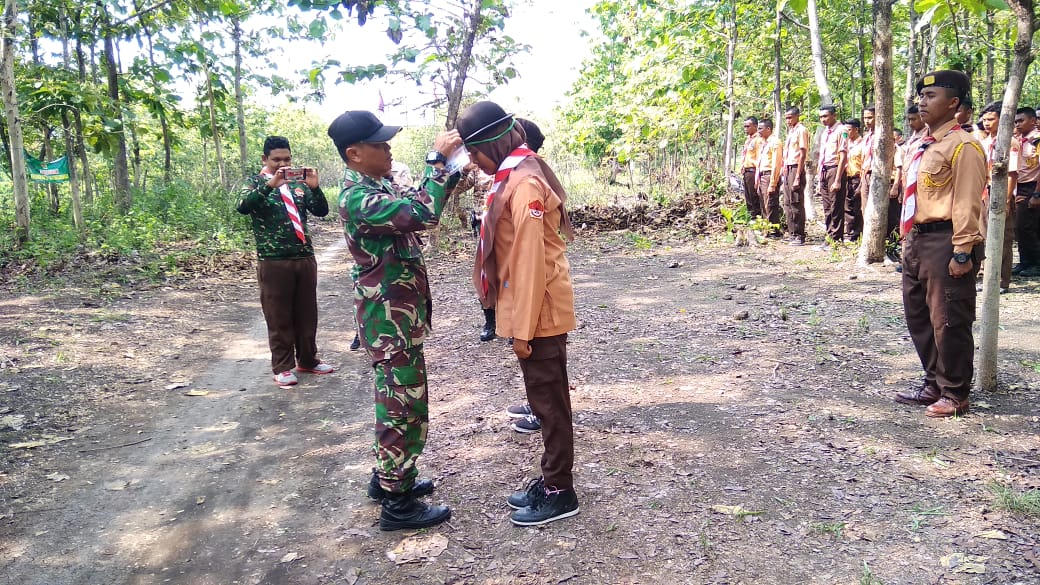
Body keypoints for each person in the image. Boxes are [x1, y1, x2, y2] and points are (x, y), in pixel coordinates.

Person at [328, 110, 462, 531]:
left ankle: (387, 479)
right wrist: (436, 161)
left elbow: (418, 201)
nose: (388, 150)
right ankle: (397, 503)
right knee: (400, 406)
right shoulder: (357, 197)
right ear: (354, 154)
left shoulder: (377, 185)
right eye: (379, 145)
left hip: (398, 316)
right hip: (388, 321)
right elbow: (420, 214)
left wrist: (450, 171)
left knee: (401, 400)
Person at [457, 101, 579, 526]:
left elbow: (529, 263)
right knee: (543, 398)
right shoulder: (513, 174)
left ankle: (560, 490)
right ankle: (551, 478)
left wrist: (522, 330)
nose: (472, 162)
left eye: (475, 152)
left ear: (493, 142)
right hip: (531, 308)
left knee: (549, 402)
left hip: (539, 311)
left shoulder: (524, 183)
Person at [894, 70, 986, 418]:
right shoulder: (922, 143)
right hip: (918, 239)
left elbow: (967, 202)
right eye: (922, 95)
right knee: (919, 316)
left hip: (947, 240)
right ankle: (933, 380)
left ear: (954, 104)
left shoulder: (963, 145)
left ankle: (955, 391)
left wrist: (963, 251)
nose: (923, 101)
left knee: (949, 318)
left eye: (932, 96)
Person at [237, 136, 335, 387]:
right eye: (276, 159)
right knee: (278, 314)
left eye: (287, 159)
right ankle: (282, 366)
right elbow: (243, 207)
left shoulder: (297, 184)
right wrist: (271, 184)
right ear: (265, 159)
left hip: (304, 257)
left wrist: (314, 187)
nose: (282, 164)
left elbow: (321, 211)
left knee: (307, 312)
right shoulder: (256, 183)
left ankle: (308, 359)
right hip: (273, 260)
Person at [977, 101, 1016, 293]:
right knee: (983, 235)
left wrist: (1007, 200)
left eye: (991, 119)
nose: (986, 123)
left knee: (1003, 237)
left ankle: (1002, 280)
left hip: (1001, 192)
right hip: (984, 193)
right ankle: (986, 275)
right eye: (984, 120)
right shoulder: (984, 142)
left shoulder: (1010, 143)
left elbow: (1012, 174)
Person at [815, 105, 848, 247]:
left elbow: (843, 155)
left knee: (836, 205)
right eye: (821, 117)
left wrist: (838, 179)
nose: (823, 119)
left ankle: (836, 237)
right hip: (824, 171)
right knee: (827, 205)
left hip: (835, 169)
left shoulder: (842, 131)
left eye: (826, 116)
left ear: (834, 116)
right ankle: (829, 235)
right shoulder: (825, 132)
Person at [1013, 107, 1040, 277]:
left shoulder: (1037, 140)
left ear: (1033, 121)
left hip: (1032, 187)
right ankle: (1025, 261)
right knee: (1021, 228)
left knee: (1028, 227)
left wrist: (1037, 194)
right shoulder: (1019, 140)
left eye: (1021, 121)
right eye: (1016, 121)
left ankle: (1035, 263)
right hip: (1020, 187)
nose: (1018, 124)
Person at [782, 107, 811, 245]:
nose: (788, 120)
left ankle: (799, 234)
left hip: (796, 168)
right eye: (786, 118)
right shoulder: (791, 132)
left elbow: (802, 154)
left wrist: (798, 175)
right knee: (787, 203)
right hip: (788, 168)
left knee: (796, 202)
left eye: (790, 117)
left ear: (797, 116)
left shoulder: (801, 131)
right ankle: (792, 232)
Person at [756, 118, 784, 237]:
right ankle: (766, 228)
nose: (758, 131)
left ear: (768, 129)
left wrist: (773, 182)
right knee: (763, 203)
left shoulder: (775, 143)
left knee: (770, 203)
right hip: (762, 176)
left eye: (760, 128)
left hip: (769, 175)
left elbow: (776, 164)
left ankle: (773, 230)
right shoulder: (764, 143)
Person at [843, 118, 864, 241]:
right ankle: (850, 232)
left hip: (857, 178)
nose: (847, 133)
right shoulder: (845, 144)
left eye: (849, 130)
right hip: (846, 178)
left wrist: (861, 184)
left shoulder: (862, 145)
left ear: (856, 129)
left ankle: (857, 233)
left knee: (857, 207)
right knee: (847, 207)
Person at [739, 116, 763, 217]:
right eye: (744, 126)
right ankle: (751, 216)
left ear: (755, 126)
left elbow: (759, 157)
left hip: (753, 171)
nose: (746, 129)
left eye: (748, 126)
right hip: (746, 171)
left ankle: (757, 217)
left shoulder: (758, 140)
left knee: (754, 197)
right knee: (748, 197)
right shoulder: (748, 140)